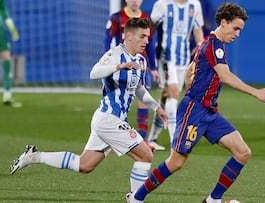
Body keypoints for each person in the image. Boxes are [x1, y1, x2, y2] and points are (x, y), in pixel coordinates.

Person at [127, 3, 265, 203]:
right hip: (194, 111)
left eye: (240, 30)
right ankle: (136, 197)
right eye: (236, 28)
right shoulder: (213, 44)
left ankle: (213, 200)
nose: (238, 34)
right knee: (176, 163)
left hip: (209, 112)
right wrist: (255, 92)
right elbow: (225, 76)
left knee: (242, 152)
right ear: (224, 22)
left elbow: (191, 70)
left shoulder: (212, 44)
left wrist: (200, 89)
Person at [10, 18, 168, 195]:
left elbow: (139, 89)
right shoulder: (114, 55)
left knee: (84, 165)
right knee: (145, 155)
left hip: (111, 121)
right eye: (142, 36)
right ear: (129, 36)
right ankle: (136, 198)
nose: (146, 41)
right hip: (108, 119)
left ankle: (35, 156)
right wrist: (119, 66)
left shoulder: (141, 61)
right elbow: (94, 72)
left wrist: (157, 108)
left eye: (148, 36)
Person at [147, 0, 205, 151]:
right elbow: (149, 27)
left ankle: (152, 138)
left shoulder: (195, 5)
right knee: (173, 93)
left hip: (183, 59)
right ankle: (176, 140)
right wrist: (147, 52)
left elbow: (197, 29)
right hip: (165, 58)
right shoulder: (163, 5)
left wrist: (201, 49)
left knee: (166, 98)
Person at [104, 0, 159, 143]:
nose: (135, 1)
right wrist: (108, 64)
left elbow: (150, 45)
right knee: (117, 101)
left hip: (141, 66)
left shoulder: (146, 19)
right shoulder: (117, 17)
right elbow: (107, 40)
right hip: (121, 66)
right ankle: (114, 137)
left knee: (143, 100)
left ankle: (141, 139)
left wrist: (153, 68)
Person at [0, 0, 21, 107]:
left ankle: (7, 96)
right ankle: (7, 96)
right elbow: (5, 13)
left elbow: (4, 12)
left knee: (6, 59)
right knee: (6, 59)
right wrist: (13, 31)